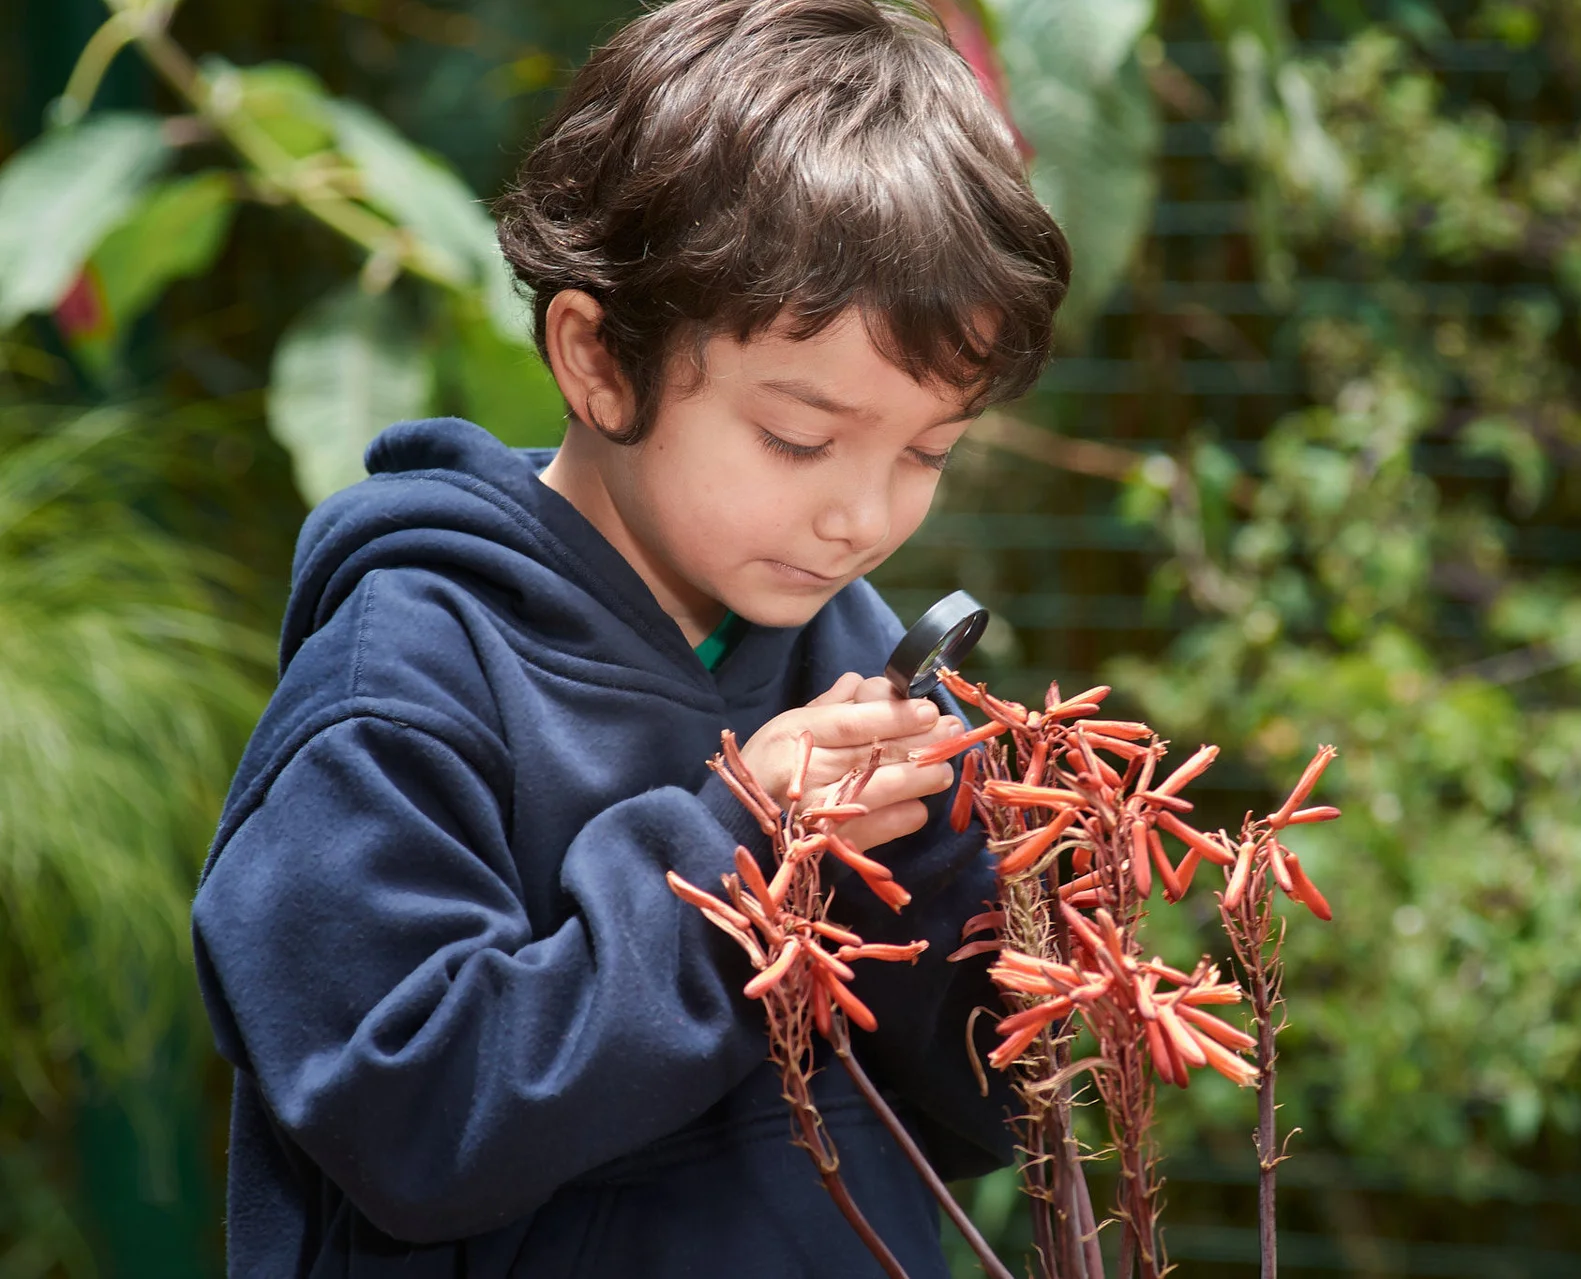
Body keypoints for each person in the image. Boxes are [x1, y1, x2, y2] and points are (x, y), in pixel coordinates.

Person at [190, 0, 1070, 1273]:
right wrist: (745, 862)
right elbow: (413, 1118)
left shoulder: (848, 649)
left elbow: (980, 1109)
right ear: (599, 362)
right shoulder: (404, 676)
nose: (861, 515)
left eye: (927, 451)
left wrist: (992, 895)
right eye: (800, 439)